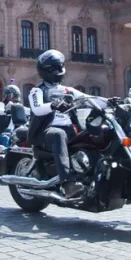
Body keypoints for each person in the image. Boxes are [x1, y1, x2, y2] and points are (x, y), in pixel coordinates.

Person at [28, 49, 85, 198]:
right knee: (58, 134)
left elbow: (87, 98)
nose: (58, 71)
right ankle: (68, 184)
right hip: (45, 131)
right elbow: (37, 109)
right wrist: (53, 105)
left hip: (69, 129)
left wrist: (112, 102)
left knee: (94, 133)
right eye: (55, 68)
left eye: (60, 67)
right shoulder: (37, 91)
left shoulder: (67, 90)